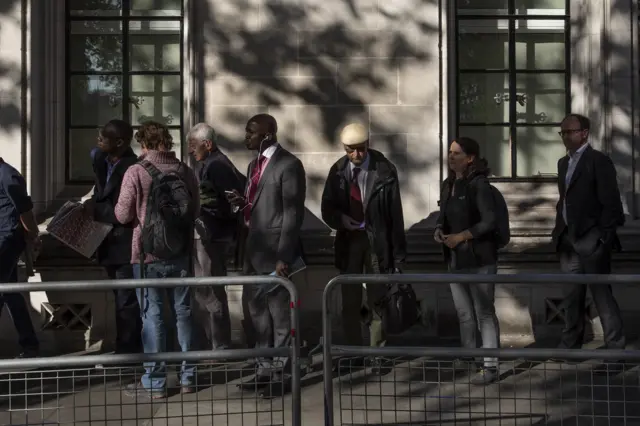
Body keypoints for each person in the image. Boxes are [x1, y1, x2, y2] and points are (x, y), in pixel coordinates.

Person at [115, 120, 200, 398]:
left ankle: (156, 382)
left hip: (146, 255)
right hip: (181, 253)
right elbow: (195, 209)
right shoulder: (184, 171)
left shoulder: (136, 171)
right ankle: (188, 378)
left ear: (144, 143)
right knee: (184, 313)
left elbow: (123, 215)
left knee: (152, 317)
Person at [227, 113, 306, 398]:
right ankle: (263, 369)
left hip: (275, 255)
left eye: (251, 132)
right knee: (257, 314)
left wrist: (284, 256)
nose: (245, 136)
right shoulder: (253, 166)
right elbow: (259, 205)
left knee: (280, 316)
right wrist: (242, 204)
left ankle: (283, 373)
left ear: (267, 135)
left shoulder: (289, 165)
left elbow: (292, 214)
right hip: (253, 251)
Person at [320, 122, 406, 375]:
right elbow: (327, 208)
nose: (356, 155)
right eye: (350, 150)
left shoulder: (385, 171)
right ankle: (351, 353)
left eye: (360, 149)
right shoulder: (337, 172)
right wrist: (340, 220)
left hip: (376, 243)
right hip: (349, 242)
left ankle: (378, 354)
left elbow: (395, 216)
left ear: (368, 145)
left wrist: (398, 256)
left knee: (378, 300)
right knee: (350, 301)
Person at [552, 113, 626, 353]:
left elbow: (612, 204)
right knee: (571, 297)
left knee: (602, 298)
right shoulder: (563, 163)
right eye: (562, 132)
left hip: (592, 240)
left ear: (584, 133)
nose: (565, 136)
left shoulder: (598, 161)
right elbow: (566, 200)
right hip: (568, 241)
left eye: (570, 131)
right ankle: (570, 346)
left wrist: (602, 238)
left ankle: (615, 351)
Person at [434, 137, 500, 385]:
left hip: (480, 257)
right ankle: (469, 356)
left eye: (456, 153)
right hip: (454, 257)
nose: (451, 157)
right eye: (449, 153)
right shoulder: (448, 183)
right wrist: (439, 229)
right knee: (464, 313)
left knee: (484, 312)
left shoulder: (479, 184)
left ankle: (490, 365)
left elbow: (489, 221)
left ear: (470, 158)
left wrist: (462, 236)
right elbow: (444, 215)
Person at [187, 122, 246, 351]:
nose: (190, 150)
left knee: (210, 290)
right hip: (212, 236)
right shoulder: (212, 164)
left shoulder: (216, 166)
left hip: (213, 238)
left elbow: (227, 204)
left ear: (207, 144)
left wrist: (201, 211)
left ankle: (219, 345)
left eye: (193, 145)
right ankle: (214, 342)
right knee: (207, 290)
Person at [86, 119, 141, 354]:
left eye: (104, 138)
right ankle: (123, 347)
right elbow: (95, 156)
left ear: (119, 142)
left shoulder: (132, 167)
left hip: (125, 242)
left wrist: (94, 210)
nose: (98, 141)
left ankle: (128, 351)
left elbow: (125, 212)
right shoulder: (102, 160)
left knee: (126, 301)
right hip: (105, 241)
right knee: (118, 296)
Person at [0, 158, 40, 358]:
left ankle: (30, 344)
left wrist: (33, 235)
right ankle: (29, 343)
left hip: (6, 241)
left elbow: (24, 210)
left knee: (5, 291)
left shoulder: (8, 175)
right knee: (11, 293)